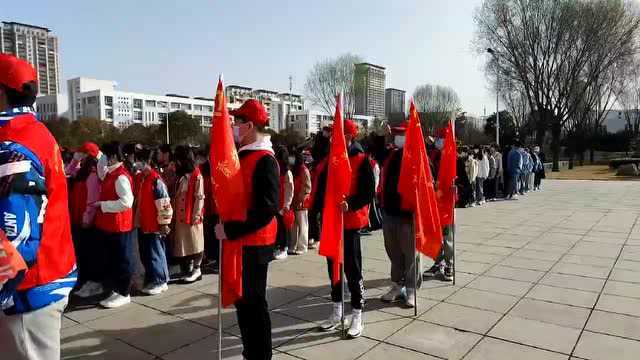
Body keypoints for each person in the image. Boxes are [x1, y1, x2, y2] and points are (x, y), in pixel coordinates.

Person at [0, 54, 77, 360]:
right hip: (44, 276)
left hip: (26, 288)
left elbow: (16, 239)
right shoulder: (35, 132)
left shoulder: (11, 141)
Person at [215, 99, 279, 359]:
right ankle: (249, 352)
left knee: (254, 304)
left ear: (250, 125)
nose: (235, 128)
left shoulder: (265, 160)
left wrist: (231, 230)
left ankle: (260, 355)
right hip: (241, 241)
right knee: (243, 302)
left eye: (238, 123)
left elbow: (267, 208)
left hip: (255, 243)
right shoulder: (243, 155)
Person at [320, 119, 375, 338]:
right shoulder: (330, 158)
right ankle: (336, 310)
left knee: (352, 269)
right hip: (332, 222)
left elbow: (368, 191)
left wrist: (350, 204)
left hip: (349, 223)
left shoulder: (362, 160)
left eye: (338, 134)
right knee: (333, 268)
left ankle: (357, 313)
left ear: (349, 137)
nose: (333, 138)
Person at [379, 121, 420, 307]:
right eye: (396, 134)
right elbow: (374, 151)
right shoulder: (391, 155)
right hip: (389, 212)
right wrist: (383, 136)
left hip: (406, 214)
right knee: (394, 252)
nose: (398, 138)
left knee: (409, 254)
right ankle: (396, 285)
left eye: (402, 134)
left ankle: (411, 289)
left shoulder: (418, 156)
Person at [94, 142, 135, 308]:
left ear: (112, 157)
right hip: (110, 225)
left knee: (122, 260)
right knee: (113, 260)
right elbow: (100, 170)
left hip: (119, 225)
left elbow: (127, 202)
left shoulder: (120, 176)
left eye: (106, 156)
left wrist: (103, 205)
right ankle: (117, 289)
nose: (104, 159)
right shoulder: (111, 174)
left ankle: (124, 292)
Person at [134, 148, 173, 295]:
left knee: (155, 252)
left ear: (148, 162)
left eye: (140, 161)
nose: (137, 163)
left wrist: (164, 223)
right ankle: (153, 278)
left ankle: (161, 280)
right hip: (143, 222)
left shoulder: (156, 180)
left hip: (154, 223)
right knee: (146, 253)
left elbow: (164, 203)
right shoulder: (141, 179)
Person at [68, 143, 104, 298]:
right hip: (77, 218)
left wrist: (86, 219)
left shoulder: (93, 174)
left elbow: (92, 199)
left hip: (88, 221)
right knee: (81, 254)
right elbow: (67, 172)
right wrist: (74, 161)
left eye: (82, 154)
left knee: (90, 254)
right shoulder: (82, 172)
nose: (79, 156)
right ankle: (84, 281)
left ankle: (94, 283)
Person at [172, 146, 205, 284]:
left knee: (196, 244)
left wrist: (196, 216)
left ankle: (197, 269)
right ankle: (190, 267)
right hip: (181, 216)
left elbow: (199, 197)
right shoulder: (181, 175)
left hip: (191, 216)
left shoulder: (196, 176)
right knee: (186, 244)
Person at [274, 145, 294, 260]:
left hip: (283, 203)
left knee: (284, 227)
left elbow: (290, 190)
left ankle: (285, 247)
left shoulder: (287, 172)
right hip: (277, 202)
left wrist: (286, 204)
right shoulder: (278, 170)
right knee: (279, 226)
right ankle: (279, 246)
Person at [290, 151, 312, 254]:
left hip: (301, 201)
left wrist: (301, 199)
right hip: (294, 200)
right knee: (294, 225)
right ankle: (293, 245)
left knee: (303, 224)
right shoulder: (295, 170)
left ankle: (302, 246)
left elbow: (307, 188)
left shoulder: (304, 170)